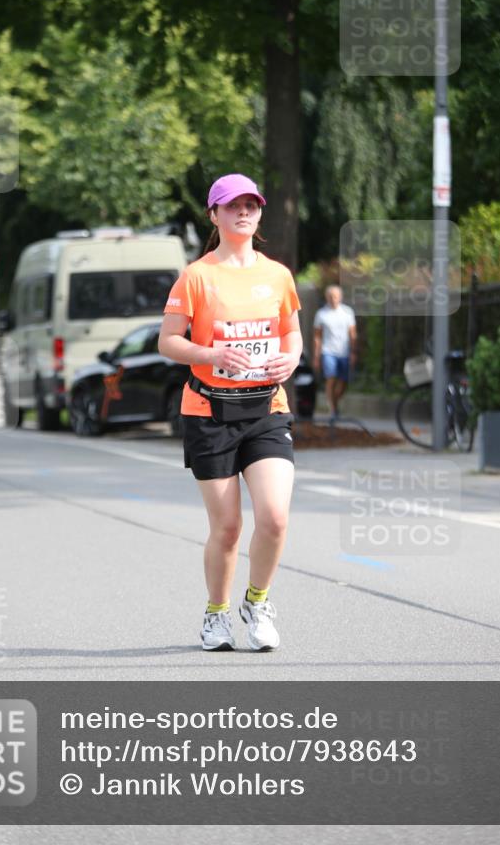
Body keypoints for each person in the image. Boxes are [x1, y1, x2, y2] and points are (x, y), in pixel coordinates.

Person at [159, 174, 302, 652]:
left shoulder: (277, 275)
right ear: (214, 214)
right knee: (227, 528)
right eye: (232, 205)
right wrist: (212, 355)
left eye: (251, 205)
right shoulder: (197, 276)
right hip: (208, 412)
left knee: (275, 517)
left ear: (260, 214)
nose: (243, 211)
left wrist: (293, 357)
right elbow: (168, 341)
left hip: (266, 408)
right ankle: (216, 614)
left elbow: (291, 333)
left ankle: (257, 602)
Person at [312, 285, 357, 421]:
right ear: (327, 298)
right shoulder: (321, 314)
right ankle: (332, 409)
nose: (333, 299)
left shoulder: (348, 312)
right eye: (330, 296)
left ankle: (334, 403)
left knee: (343, 382)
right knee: (331, 377)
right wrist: (316, 355)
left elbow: (352, 333)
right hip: (328, 351)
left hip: (344, 352)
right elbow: (317, 336)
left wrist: (353, 352)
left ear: (340, 297)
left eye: (336, 296)